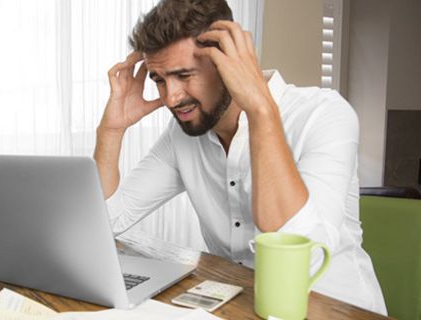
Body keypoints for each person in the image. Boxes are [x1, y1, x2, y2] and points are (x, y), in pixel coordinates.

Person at [92, 0, 387, 314]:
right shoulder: (183, 135)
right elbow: (106, 221)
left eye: (184, 75)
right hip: (243, 305)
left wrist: (260, 110)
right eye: (160, 80)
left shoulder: (324, 115)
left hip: (338, 308)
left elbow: (301, 255)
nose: (171, 97)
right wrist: (111, 130)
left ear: (228, 61)